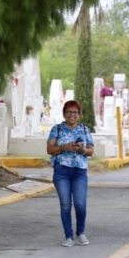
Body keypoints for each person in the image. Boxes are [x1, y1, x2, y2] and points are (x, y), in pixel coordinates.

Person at [47, 100, 95, 247]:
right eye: (69, 112)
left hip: (80, 171)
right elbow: (49, 149)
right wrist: (65, 147)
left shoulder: (85, 130)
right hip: (62, 171)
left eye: (75, 112)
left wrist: (83, 150)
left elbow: (91, 151)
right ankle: (68, 236)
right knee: (65, 204)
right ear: (64, 114)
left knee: (80, 204)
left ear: (79, 115)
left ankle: (80, 232)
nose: (72, 115)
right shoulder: (57, 129)